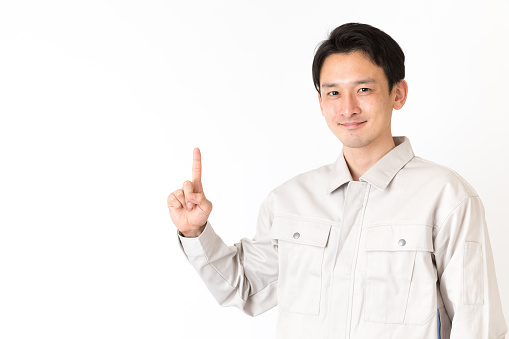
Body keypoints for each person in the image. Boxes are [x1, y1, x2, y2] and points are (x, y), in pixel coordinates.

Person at [167, 22, 507, 339]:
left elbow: (476, 320)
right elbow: (244, 288)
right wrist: (195, 232)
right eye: (333, 93)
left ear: (398, 93)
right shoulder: (289, 200)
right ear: (320, 102)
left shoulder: (446, 197)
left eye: (363, 89)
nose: (347, 108)